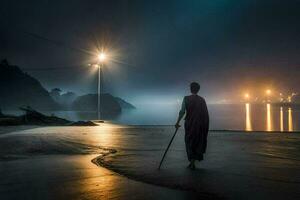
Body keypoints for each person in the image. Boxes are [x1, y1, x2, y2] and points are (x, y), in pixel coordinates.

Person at [175, 82, 209, 170]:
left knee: (189, 141)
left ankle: (192, 162)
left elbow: (182, 111)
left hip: (189, 124)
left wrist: (177, 122)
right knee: (197, 142)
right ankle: (192, 162)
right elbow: (205, 115)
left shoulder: (186, 99)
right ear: (198, 90)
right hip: (199, 124)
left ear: (191, 89)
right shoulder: (202, 100)